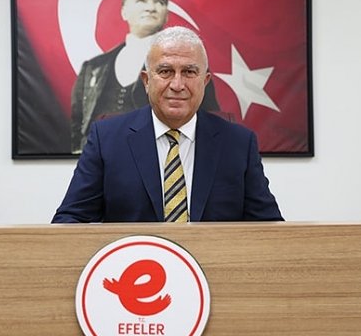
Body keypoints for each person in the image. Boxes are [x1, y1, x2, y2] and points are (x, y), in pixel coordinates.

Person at [52, 26, 283, 223]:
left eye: (189, 72)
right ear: (146, 81)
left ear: (205, 81)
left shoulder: (239, 143)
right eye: (165, 71)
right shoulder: (106, 139)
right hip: (134, 262)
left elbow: (269, 229)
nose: (177, 84)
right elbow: (70, 220)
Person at [70, 0, 219, 153]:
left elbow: (209, 120)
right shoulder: (93, 67)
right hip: (103, 159)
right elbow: (78, 124)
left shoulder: (191, 65)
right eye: (141, 1)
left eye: (159, 2)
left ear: (166, 15)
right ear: (124, 12)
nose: (151, 8)